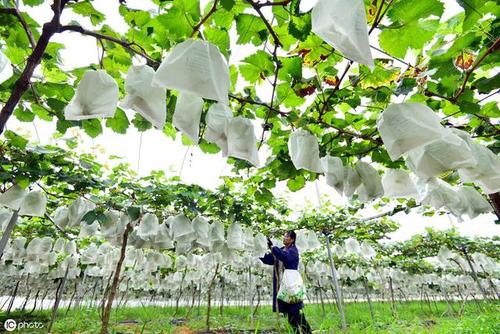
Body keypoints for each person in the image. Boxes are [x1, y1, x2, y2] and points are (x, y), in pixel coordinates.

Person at [259, 231, 312, 334]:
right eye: (284, 236)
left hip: (291, 286)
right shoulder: (282, 250)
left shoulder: (293, 251)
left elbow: (285, 257)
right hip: (283, 287)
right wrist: (259, 250)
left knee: (295, 313)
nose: (284, 238)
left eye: (287, 236)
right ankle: (297, 332)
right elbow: (269, 260)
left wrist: (273, 247)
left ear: (292, 240)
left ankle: (307, 332)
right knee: (291, 315)